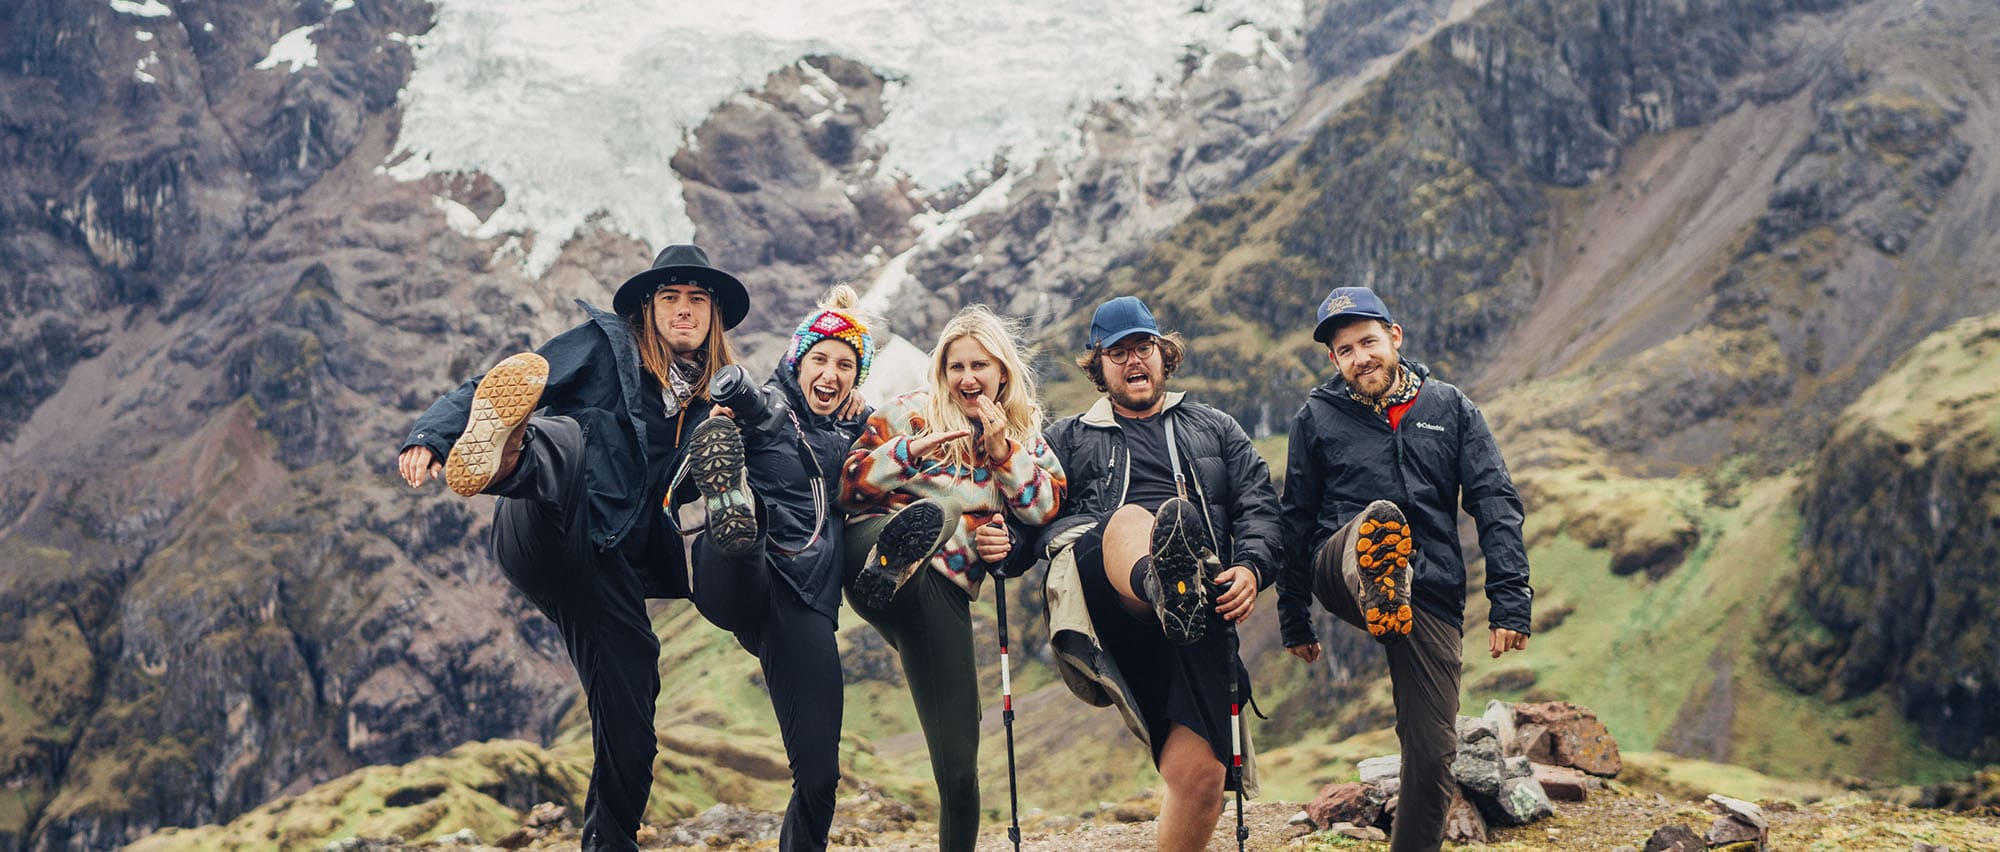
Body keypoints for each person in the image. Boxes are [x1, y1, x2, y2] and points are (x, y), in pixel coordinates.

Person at [395, 244, 747, 852]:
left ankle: (609, 842)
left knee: (634, 723)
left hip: (604, 563)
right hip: (541, 518)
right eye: (671, 298)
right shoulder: (604, 346)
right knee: (563, 434)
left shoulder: (715, 401)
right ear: (649, 308)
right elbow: (494, 382)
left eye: (697, 300)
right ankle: (505, 451)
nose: (684, 310)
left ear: (713, 315)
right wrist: (432, 433)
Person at [1276, 286, 1533, 852]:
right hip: (1337, 565)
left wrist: (1510, 599)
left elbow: (1494, 499)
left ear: (1395, 337)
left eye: (1367, 341)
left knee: (1433, 751)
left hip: (1430, 591)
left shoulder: (1451, 408)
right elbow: (1294, 519)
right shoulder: (1317, 417)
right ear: (1333, 360)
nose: (1359, 357)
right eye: (1345, 350)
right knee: (1374, 526)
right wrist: (1294, 615)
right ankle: (1376, 563)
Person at [1033, 295, 1281, 852]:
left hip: (1201, 605)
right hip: (1111, 602)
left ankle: (1179, 590)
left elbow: (1261, 510)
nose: (1133, 360)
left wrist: (1250, 568)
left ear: (1164, 354)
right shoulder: (1067, 438)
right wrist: (1011, 540)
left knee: (1202, 781)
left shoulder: (1216, 428)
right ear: (1097, 366)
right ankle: (1162, 582)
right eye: (1116, 353)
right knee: (1131, 521)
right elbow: (1029, 522)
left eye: (1142, 346)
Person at [837, 305, 1066, 852]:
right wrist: (907, 452)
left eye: (979, 366)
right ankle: (894, 563)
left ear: (1001, 372)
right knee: (931, 518)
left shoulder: (1025, 435)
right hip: (867, 547)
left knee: (959, 770)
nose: (966, 378)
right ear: (940, 370)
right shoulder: (910, 414)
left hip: (942, 590)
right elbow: (849, 485)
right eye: (955, 366)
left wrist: (1001, 452)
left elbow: (1045, 507)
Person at [683, 286, 874, 852]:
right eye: (820, 358)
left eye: (845, 365)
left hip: (804, 600)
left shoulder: (853, 435)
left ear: (855, 377)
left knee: (820, 776)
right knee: (742, 535)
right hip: (738, 580)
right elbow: (754, 405)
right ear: (798, 359)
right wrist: (728, 414)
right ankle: (735, 505)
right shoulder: (768, 410)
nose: (831, 373)